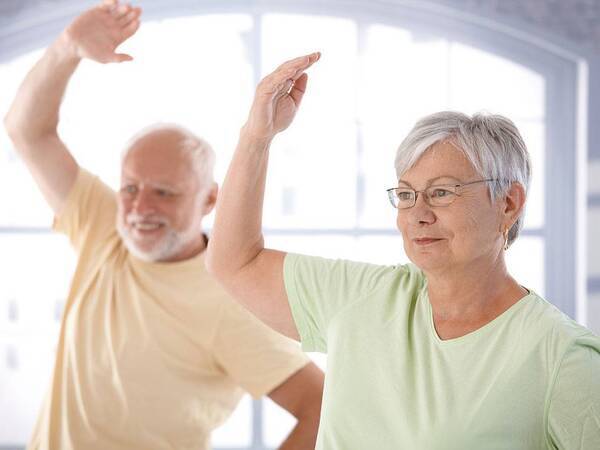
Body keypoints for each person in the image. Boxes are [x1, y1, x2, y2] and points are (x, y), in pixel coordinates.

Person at [206, 53, 600, 449]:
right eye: (407, 194)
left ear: (509, 203)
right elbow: (234, 261)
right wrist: (257, 137)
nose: (418, 214)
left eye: (443, 192)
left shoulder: (563, 357)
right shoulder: (359, 298)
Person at [3, 4, 323, 450]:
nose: (139, 208)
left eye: (165, 192)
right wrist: (66, 49)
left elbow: (321, 408)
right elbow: (27, 131)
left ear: (210, 199)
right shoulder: (105, 226)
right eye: (130, 187)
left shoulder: (233, 302)